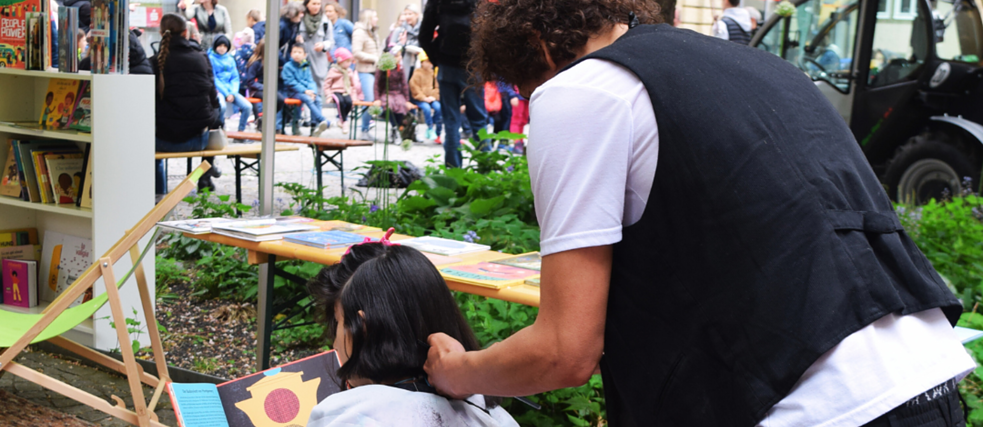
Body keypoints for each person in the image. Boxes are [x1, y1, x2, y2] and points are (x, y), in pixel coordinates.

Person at [425, 1, 976, 427]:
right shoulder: (758, 66)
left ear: (535, 47)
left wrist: (458, 373)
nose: (529, 100)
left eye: (521, 86)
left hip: (812, 405)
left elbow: (563, 352)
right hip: (924, 378)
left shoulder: (576, 92)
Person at [304, 235, 519, 427]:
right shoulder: (490, 414)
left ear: (363, 329)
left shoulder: (346, 416)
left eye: (338, 321)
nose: (334, 344)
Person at [151, 13, 221, 194]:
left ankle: (158, 198)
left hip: (162, 140)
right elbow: (214, 98)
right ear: (185, 33)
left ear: (160, 33)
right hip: (199, 139)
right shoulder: (201, 57)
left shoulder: (155, 62)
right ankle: (203, 178)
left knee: (147, 152)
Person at [419, 0, 489, 168]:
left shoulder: (437, 3)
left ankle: (453, 169)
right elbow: (488, 33)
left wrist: (437, 58)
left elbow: (424, 36)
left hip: (447, 65)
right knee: (478, 119)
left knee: (450, 120)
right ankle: (487, 169)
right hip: (473, 65)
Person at [282, 43, 330, 136]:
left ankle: (314, 126)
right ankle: (322, 120)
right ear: (291, 53)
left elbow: (310, 80)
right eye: (294, 52)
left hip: (305, 92)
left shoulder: (305, 65)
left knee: (317, 99)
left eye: (299, 52)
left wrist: (313, 92)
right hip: (292, 92)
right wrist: (305, 91)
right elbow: (290, 82)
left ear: (305, 55)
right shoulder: (288, 66)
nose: (297, 54)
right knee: (307, 99)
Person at [209, 35, 252, 132]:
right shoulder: (211, 59)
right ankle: (220, 128)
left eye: (225, 46)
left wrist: (233, 92)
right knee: (222, 107)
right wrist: (226, 93)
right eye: (220, 45)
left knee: (247, 107)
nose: (222, 48)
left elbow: (235, 77)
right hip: (218, 90)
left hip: (231, 90)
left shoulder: (230, 59)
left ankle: (241, 131)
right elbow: (214, 78)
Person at [242, 39, 286, 123]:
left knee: (280, 100)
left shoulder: (271, 62)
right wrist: (264, 87)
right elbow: (250, 81)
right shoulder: (255, 63)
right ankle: (261, 120)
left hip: (268, 89)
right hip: (256, 90)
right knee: (270, 98)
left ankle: (263, 119)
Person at [352, 8, 380, 134]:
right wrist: (374, 58)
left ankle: (367, 127)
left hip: (376, 69)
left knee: (375, 100)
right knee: (369, 99)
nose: (377, 19)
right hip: (365, 70)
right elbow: (356, 52)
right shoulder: (359, 32)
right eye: (374, 17)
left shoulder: (373, 32)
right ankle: (364, 129)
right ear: (368, 18)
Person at [372, 65, 416, 143]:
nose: (398, 58)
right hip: (386, 92)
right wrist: (377, 98)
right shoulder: (382, 68)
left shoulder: (400, 68)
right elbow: (376, 84)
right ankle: (394, 128)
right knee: (389, 104)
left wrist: (407, 100)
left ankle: (397, 130)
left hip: (398, 93)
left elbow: (404, 84)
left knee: (401, 104)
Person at [324, 47, 362, 132]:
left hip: (346, 91)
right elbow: (327, 84)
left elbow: (352, 85)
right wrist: (328, 95)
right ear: (340, 61)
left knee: (349, 102)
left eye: (350, 61)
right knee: (339, 101)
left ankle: (341, 120)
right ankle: (344, 121)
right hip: (336, 91)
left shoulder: (349, 72)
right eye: (347, 61)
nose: (349, 64)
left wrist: (354, 96)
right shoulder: (333, 70)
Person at [301, 0, 334, 96]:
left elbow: (331, 42)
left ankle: (316, 111)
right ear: (307, 5)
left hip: (318, 61)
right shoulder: (300, 19)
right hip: (302, 60)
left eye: (318, 4)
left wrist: (323, 45)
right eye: (314, 4)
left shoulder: (325, 22)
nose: (316, 6)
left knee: (318, 91)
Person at [409, 50, 441, 142]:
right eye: (427, 62)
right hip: (420, 99)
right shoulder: (417, 73)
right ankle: (430, 127)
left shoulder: (433, 73)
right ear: (422, 62)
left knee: (438, 108)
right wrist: (424, 98)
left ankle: (433, 125)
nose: (429, 64)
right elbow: (414, 87)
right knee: (426, 108)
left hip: (431, 98)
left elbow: (437, 87)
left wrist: (434, 97)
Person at [387, 4, 422, 82]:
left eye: (410, 14)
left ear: (417, 15)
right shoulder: (399, 30)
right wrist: (402, 45)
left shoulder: (423, 30)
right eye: (405, 14)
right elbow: (390, 51)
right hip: (403, 67)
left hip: (419, 66)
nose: (407, 16)